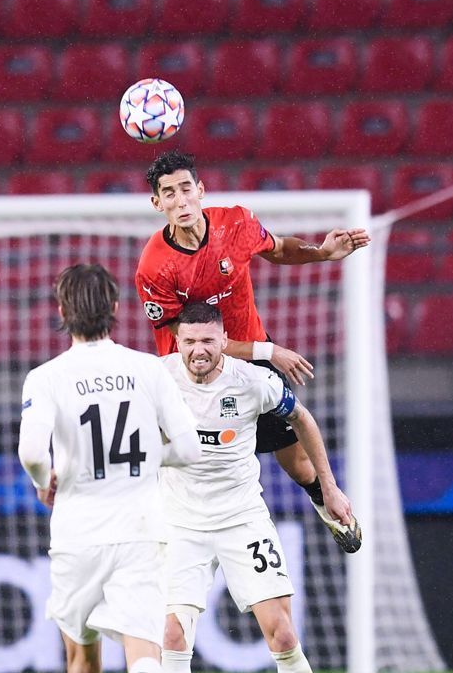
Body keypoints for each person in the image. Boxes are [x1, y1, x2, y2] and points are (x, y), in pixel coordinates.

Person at [17, 262, 201, 673]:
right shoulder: (147, 369)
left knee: (81, 658)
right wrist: (148, 458)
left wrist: (44, 480)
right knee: (145, 650)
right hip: (140, 527)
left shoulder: (46, 377)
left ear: (61, 312)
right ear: (115, 309)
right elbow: (190, 448)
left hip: (77, 533)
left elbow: (30, 452)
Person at [153, 301, 356, 673]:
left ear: (224, 340)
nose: (198, 351)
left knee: (282, 633)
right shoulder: (154, 379)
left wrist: (329, 488)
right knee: (174, 636)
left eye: (208, 341)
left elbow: (303, 419)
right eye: (189, 342)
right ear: (177, 342)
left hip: (242, 518)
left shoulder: (252, 382)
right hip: (179, 523)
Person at [134, 150, 370, 554]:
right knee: (186, 472)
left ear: (201, 190)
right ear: (157, 203)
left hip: (252, 365)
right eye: (168, 194)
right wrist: (268, 350)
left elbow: (277, 248)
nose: (180, 201)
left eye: (186, 189)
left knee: (296, 463)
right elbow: (193, 341)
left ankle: (327, 500)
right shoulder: (154, 268)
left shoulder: (236, 224)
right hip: (194, 377)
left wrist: (321, 252)